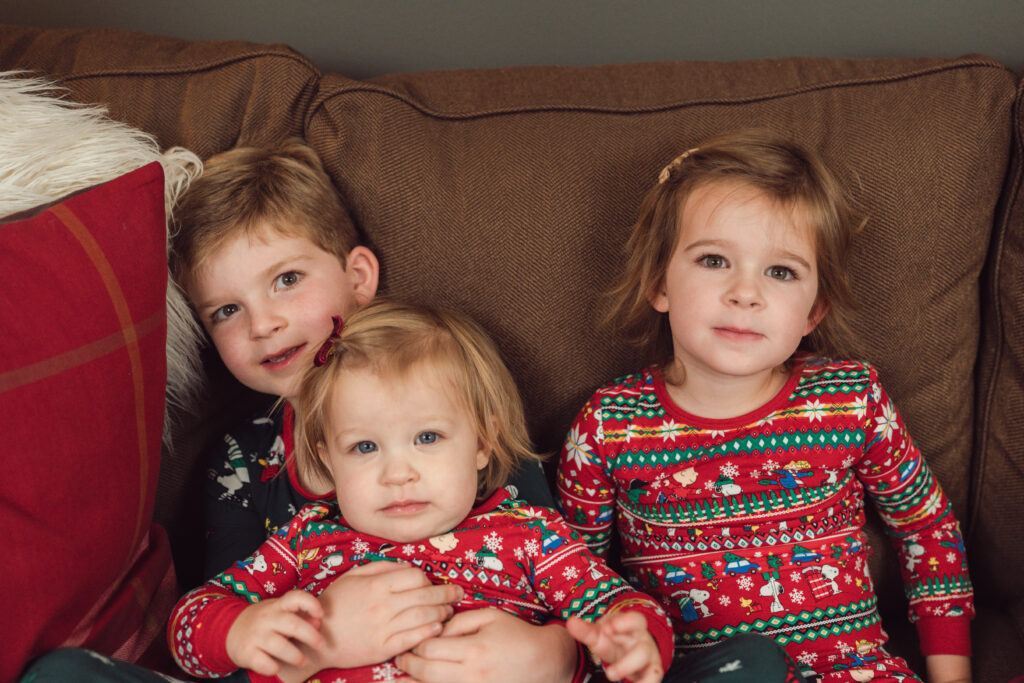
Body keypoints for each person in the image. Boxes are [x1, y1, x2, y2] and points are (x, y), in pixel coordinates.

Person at [556, 129, 974, 683]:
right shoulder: (608, 426)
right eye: (713, 260)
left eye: (780, 272)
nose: (745, 293)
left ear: (813, 312)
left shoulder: (851, 402)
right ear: (658, 283)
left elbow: (927, 528)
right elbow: (569, 575)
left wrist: (952, 677)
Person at [167, 299, 675, 683]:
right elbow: (188, 627)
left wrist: (620, 643)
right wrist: (241, 631)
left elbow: (620, 606)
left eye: (427, 438)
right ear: (326, 458)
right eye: (364, 447)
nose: (397, 474)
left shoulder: (533, 537)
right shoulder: (305, 540)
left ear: (483, 444)